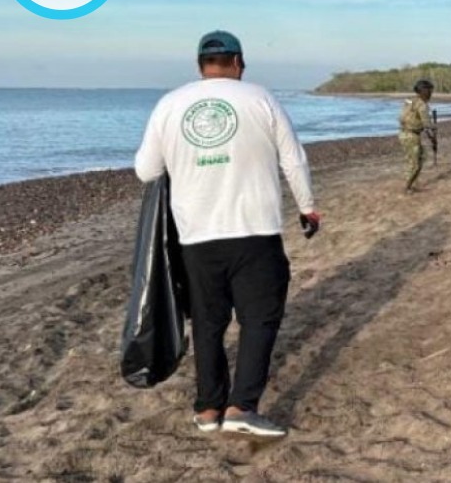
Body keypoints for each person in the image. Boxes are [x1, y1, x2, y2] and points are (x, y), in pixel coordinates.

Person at [134, 30, 320, 437]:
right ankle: (242, 407)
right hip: (256, 230)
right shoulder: (261, 98)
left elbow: (146, 170)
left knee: (207, 322)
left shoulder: (169, 104)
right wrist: (307, 208)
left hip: (196, 236)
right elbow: (294, 159)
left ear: (201, 66)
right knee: (259, 319)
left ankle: (207, 409)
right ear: (238, 63)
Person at [398, 79, 437, 193]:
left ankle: (413, 183)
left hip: (403, 133)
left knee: (418, 158)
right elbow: (427, 124)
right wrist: (433, 127)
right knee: (416, 164)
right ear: (424, 91)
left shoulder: (410, 101)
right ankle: (407, 187)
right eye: (429, 91)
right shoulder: (422, 105)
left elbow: (408, 118)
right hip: (411, 135)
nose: (431, 94)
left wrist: (431, 137)